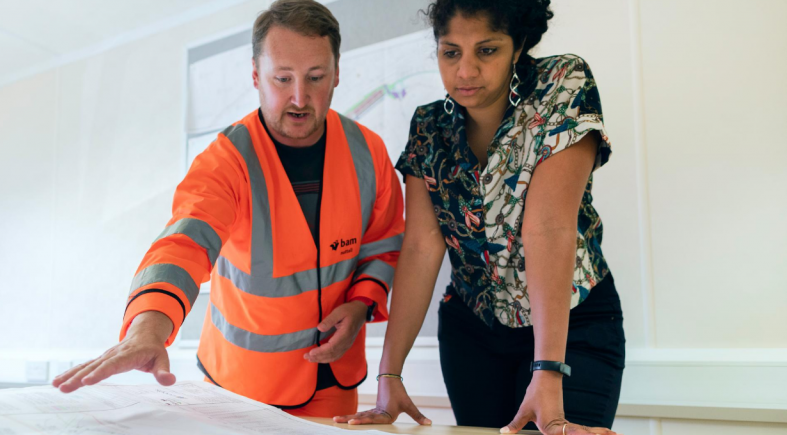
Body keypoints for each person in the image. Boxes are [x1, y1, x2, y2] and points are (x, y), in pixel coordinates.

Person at [51, 0, 405, 418]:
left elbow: (383, 246)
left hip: (335, 382)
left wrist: (362, 304)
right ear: (255, 75)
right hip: (241, 391)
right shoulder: (225, 160)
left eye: (315, 77)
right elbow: (183, 244)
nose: (299, 97)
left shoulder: (369, 152)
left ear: (337, 74)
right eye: (282, 78)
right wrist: (147, 329)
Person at [334, 1, 626, 434]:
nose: (465, 71)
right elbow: (420, 247)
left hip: (571, 325)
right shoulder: (429, 127)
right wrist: (389, 375)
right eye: (450, 52)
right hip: (472, 332)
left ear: (518, 45)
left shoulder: (562, 83)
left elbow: (547, 227)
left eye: (486, 51)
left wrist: (546, 370)